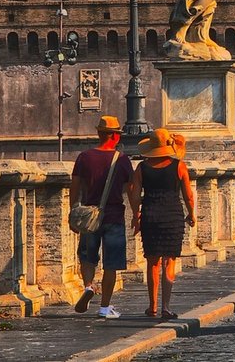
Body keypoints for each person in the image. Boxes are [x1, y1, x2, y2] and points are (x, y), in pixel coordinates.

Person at [128, 127, 195, 320]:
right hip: (172, 215)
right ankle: (166, 307)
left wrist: (136, 214)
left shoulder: (142, 167)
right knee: (169, 261)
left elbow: (134, 193)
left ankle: (153, 306)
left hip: (150, 214)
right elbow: (188, 195)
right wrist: (191, 214)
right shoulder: (178, 166)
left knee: (152, 262)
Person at [70, 116, 130, 319]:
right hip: (114, 214)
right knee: (111, 263)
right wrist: (137, 213)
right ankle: (105, 308)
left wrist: (73, 211)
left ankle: (88, 286)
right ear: (114, 135)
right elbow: (129, 188)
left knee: (87, 256)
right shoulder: (121, 159)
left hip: (89, 216)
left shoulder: (84, 157)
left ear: (99, 134)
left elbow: (75, 185)